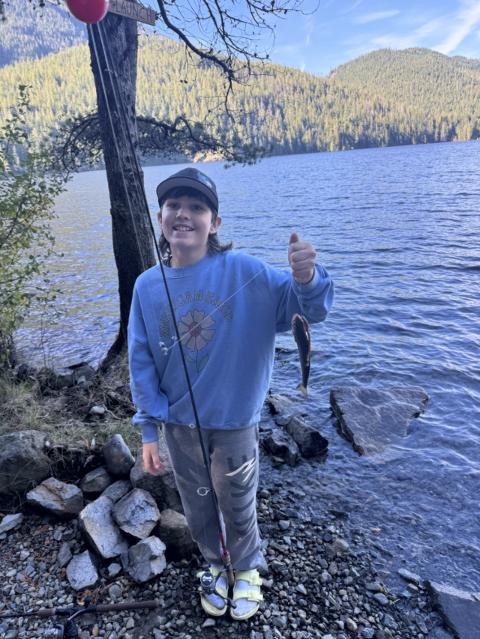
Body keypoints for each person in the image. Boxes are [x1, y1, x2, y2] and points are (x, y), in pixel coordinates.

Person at [128, 167, 334, 620]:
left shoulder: (246, 271)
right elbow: (141, 361)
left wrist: (307, 276)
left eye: (197, 207)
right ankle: (214, 564)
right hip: (178, 425)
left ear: (215, 223)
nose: (184, 214)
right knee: (197, 504)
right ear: (160, 218)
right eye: (173, 205)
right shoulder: (146, 286)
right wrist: (148, 429)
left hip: (236, 422)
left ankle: (247, 567)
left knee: (238, 503)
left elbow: (307, 309)